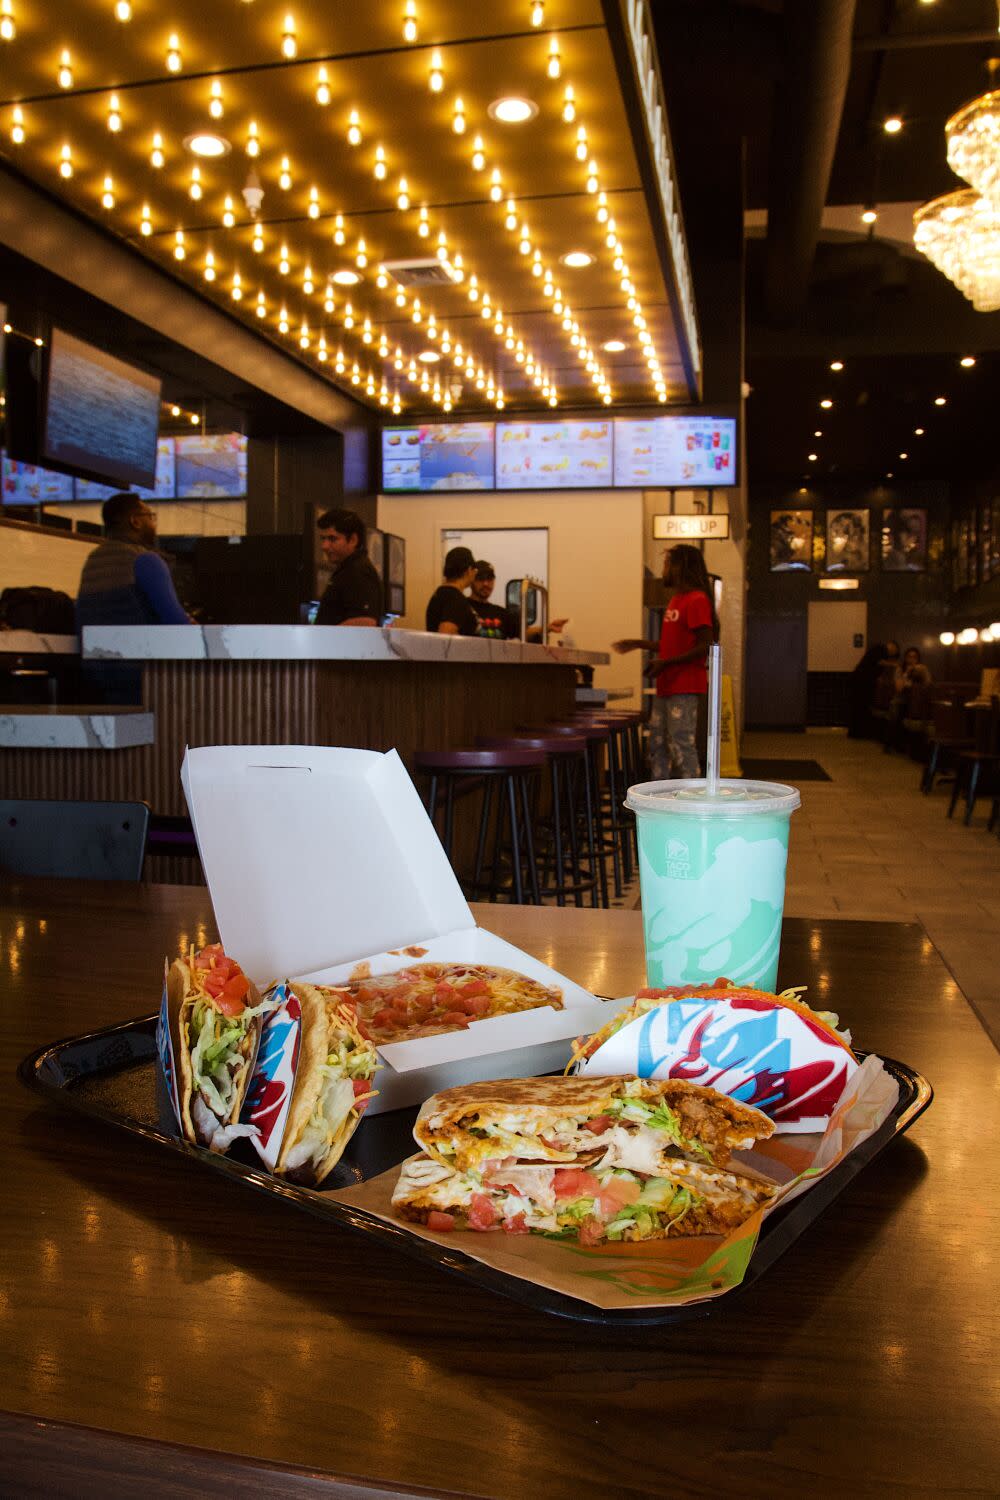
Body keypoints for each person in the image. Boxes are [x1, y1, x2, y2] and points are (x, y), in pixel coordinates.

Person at [613, 543, 718, 779]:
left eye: (667, 563)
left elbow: (704, 646)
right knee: (657, 745)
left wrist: (666, 663)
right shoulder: (676, 600)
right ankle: (659, 800)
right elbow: (673, 646)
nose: (663, 569)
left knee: (680, 745)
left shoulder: (696, 600)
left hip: (685, 686)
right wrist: (640, 644)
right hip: (667, 684)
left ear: (680, 567)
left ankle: (692, 802)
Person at [76, 491, 191, 703]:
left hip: (97, 679)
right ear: (135, 521)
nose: (154, 524)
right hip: (143, 676)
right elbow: (178, 625)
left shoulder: (92, 561)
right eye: (151, 516)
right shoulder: (144, 559)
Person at [466, 560, 569, 641]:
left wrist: (548, 627)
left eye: (489, 579)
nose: (485, 584)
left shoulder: (502, 613)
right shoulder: (462, 606)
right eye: (480, 579)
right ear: (471, 580)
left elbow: (525, 632)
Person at [315, 508, 382, 626]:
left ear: (353, 540)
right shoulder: (348, 570)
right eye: (323, 539)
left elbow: (364, 621)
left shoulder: (358, 572)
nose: (324, 546)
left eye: (332, 539)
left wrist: (324, 639)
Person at [425, 546, 480, 635]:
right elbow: (445, 635)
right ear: (469, 570)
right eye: (475, 570)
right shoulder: (455, 599)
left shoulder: (440, 593)